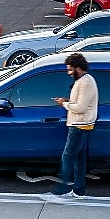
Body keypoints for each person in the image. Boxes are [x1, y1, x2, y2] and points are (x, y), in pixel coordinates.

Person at [41, 53, 98, 201]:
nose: (69, 73)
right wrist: (67, 100)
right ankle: (78, 191)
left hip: (80, 125)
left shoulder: (85, 82)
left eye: (71, 70)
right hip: (81, 124)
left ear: (79, 68)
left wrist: (64, 104)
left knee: (67, 156)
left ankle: (62, 191)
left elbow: (81, 107)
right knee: (79, 159)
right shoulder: (84, 81)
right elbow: (79, 103)